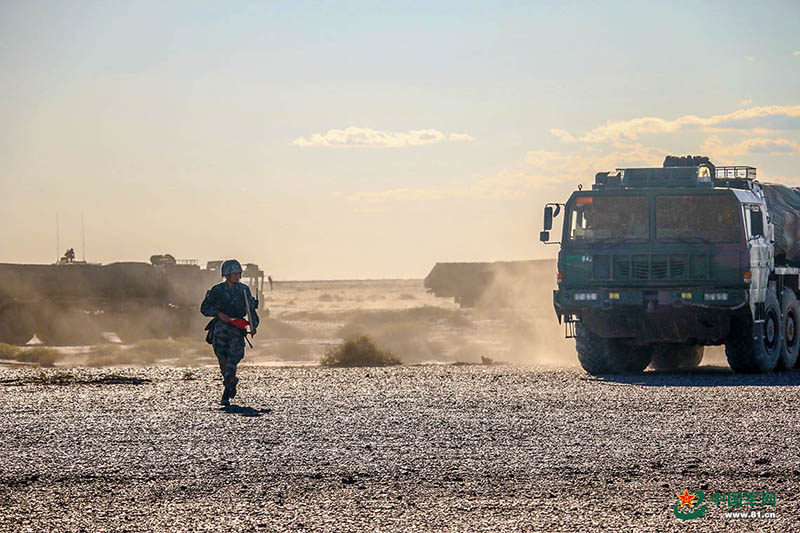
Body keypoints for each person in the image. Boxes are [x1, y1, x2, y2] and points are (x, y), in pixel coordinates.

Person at [200, 259, 259, 406]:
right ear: (227, 275)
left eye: (238, 273)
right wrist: (218, 314)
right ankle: (231, 382)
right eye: (234, 274)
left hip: (237, 329)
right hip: (220, 329)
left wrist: (253, 326)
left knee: (233, 358)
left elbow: (251, 310)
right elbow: (204, 308)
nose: (237, 276)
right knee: (223, 361)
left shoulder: (244, 290)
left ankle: (226, 393)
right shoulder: (217, 290)